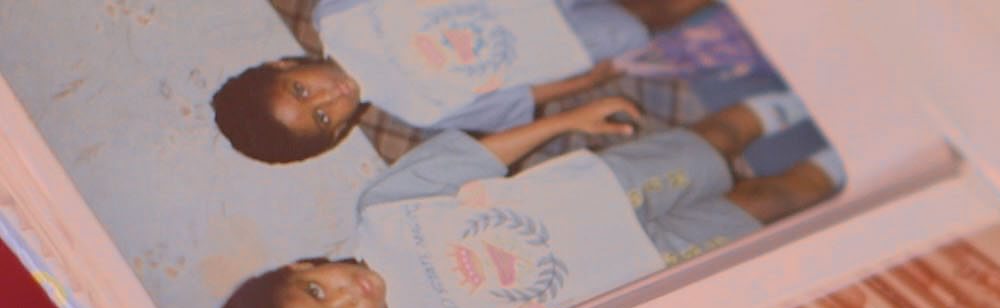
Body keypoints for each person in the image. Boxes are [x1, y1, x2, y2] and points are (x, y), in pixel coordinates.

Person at [218, 92, 840, 308]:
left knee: (715, 138)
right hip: (645, 267)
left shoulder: (380, 214)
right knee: (769, 204)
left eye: (318, 291)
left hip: (608, 187)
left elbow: (476, 156)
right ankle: (847, 158)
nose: (350, 296)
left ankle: (783, 101)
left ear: (300, 266)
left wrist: (570, 121)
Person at [211, 0, 686, 164]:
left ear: (282, 65)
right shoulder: (422, 112)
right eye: (320, 116)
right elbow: (522, 95)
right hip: (563, 43)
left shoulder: (336, 17)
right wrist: (584, 81)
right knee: (645, 17)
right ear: (337, 133)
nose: (326, 98)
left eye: (301, 88)